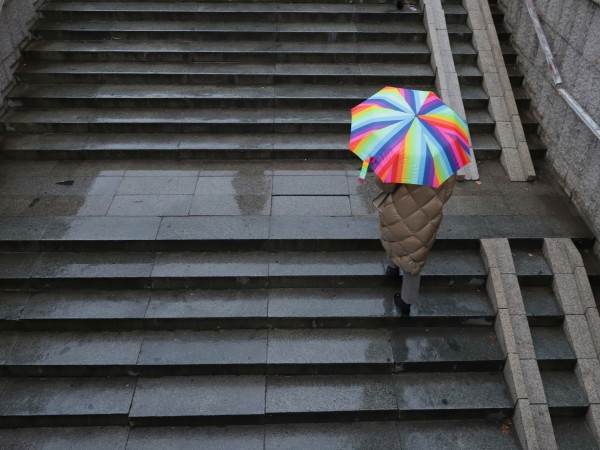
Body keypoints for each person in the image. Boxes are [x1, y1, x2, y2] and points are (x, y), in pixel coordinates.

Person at [373, 174, 456, 316]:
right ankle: (406, 301)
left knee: (394, 239)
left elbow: (385, 184)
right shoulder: (446, 166)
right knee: (414, 256)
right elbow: (447, 193)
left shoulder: (404, 157)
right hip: (428, 216)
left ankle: (392, 269)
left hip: (398, 209)